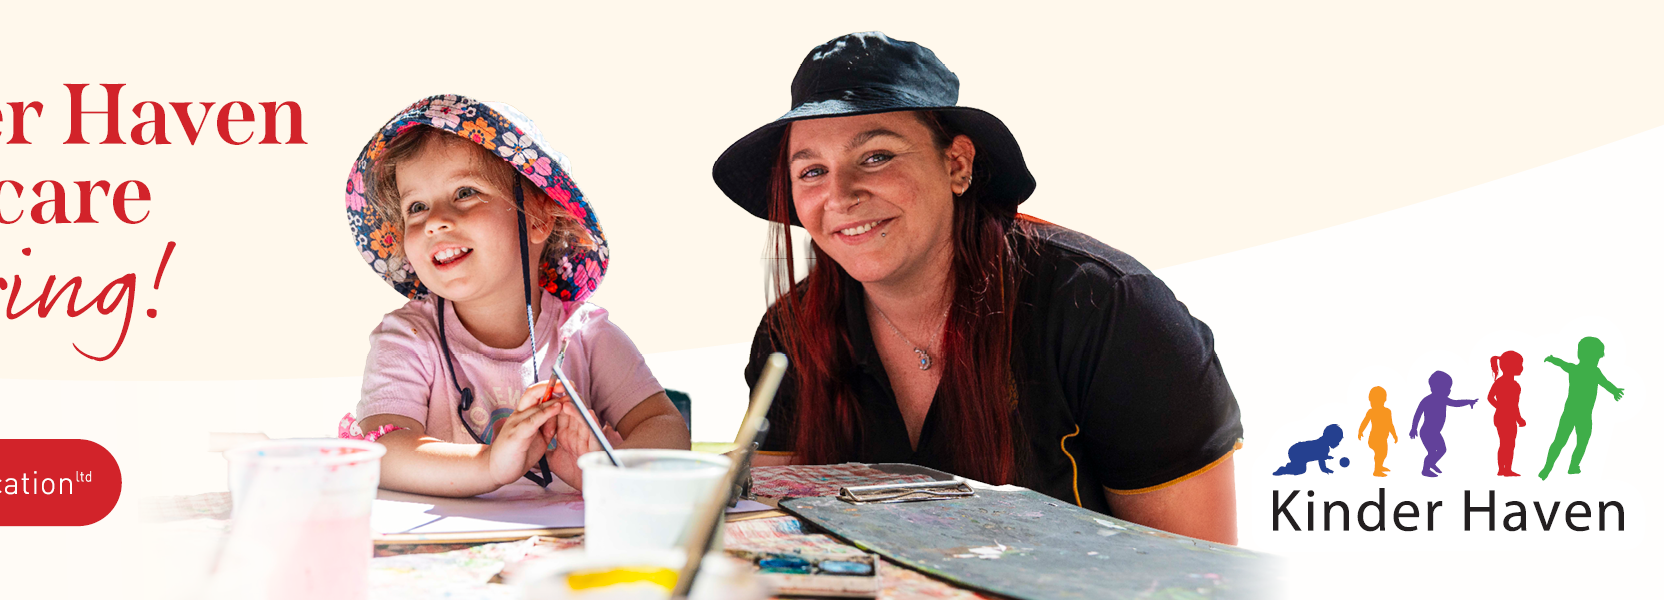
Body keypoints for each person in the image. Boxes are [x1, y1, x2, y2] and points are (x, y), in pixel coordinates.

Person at [711, 33, 1243, 544]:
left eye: (876, 156)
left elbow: (1203, 577)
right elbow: (762, 529)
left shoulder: (1109, 310)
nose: (840, 195)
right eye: (811, 171)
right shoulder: (792, 330)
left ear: (957, 164)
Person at [338, 95, 689, 497]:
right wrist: (487, 465)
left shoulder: (585, 335)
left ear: (538, 218)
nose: (434, 221)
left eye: (465, 192)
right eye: (416, 206)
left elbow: (666, 425)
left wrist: (605, 473)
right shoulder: (408, 338)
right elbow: (383, 448)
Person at [1538, 336, 1626, 479]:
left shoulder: (1577, 369)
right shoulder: (1591, 371)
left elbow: (1562, 364)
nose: (1597, 360)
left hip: (1575, 414)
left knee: (1568, 442)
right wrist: (1614, 391)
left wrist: (1552, 359)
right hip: (1579, 415)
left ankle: (1562, 467)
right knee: (1572, 442)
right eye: (1597, 357)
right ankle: (1553, 468)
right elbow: (1605, 383)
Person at [1408, 371, 1477, 477]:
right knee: (1432, 452)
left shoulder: (1443, 399)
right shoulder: (1427, 400)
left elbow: (1456, 403)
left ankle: (1431, 463)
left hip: (1435, 432)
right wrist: (1413, 428)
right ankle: (1425, 470)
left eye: (1449, 388)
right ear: (1434, 388)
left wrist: (1469, 401)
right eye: (1446, 388)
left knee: (1442, 450)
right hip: (1426, 432)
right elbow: (1417, 415)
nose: (1449, 390)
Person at [1487, 351, 1527, 477]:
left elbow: (1515, 405)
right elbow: (1490, 397)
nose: (1522, 367)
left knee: (1508, 444)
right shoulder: (1500, 382)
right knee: (1506, 444)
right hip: (1502, 418)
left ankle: (1505, 469)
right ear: (1510, 366)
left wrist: (1518, 418)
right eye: (1519, 364)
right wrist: (1501, 408)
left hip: (1510, 418)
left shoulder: (1516, 385)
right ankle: (1503, 470)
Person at [1356, 386, 1399, 477]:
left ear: (1384, 400)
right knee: (1380, 453)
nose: (1372, 403)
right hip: (1374, 439)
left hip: (1383, 439)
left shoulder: (1387, 411)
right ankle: (1376, 471)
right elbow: (1364, 422)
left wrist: (1394, 435)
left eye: (1375, 401)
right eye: (1371, 401)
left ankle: (1379, 466)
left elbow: (1390, 425)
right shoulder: (1371, 412)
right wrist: (1360, 431)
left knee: (1383, 454)